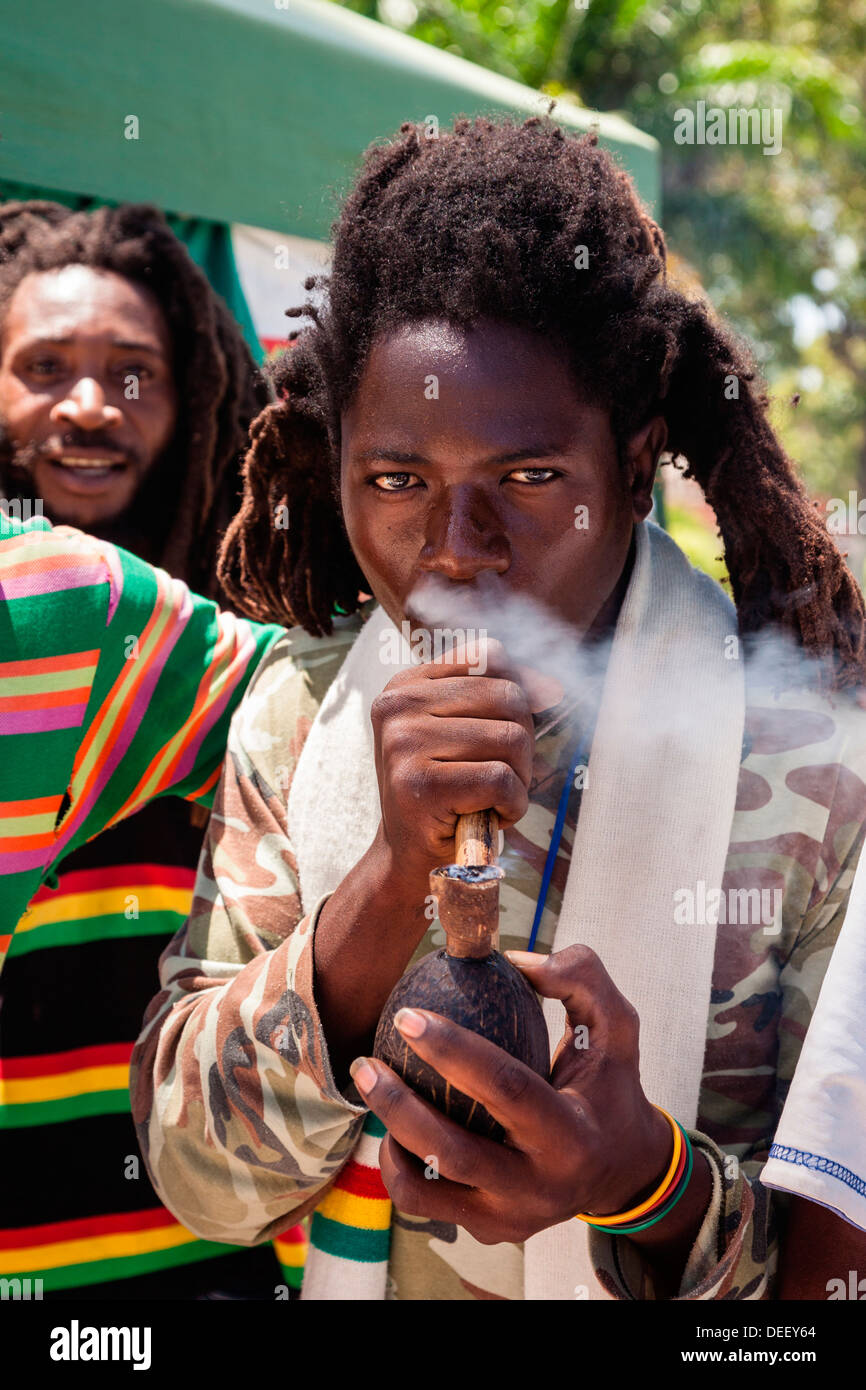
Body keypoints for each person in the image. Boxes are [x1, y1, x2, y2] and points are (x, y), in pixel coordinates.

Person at [131, 117, 866, 1301]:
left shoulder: (816, 760)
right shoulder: (301, 710)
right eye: (396, 481)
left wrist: (643, 1183)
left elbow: (830, 1281)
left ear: (634, 467)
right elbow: (200, 1181)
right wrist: (380, 879)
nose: (454, 553)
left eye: (526, 480)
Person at [0, 202, 297, 1299]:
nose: (88, 406)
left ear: (199, 398)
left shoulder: (267, 676)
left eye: (133, 374)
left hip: (212, 1270)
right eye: (43, 367)